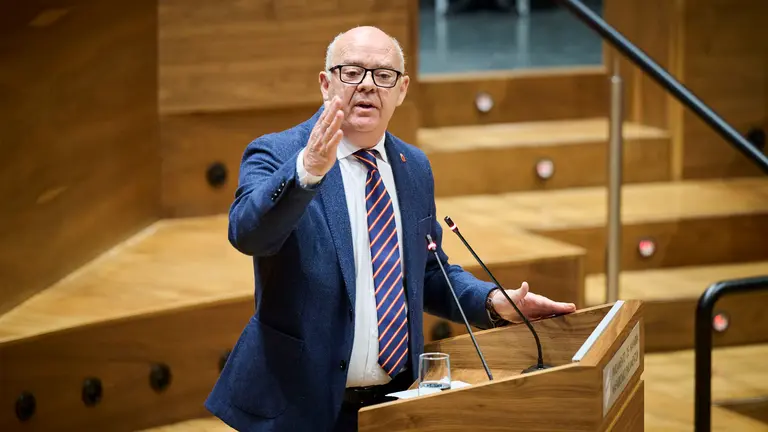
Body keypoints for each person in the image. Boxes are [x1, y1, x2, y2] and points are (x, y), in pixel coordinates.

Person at [204, 26, 576, 432]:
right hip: (299, 406)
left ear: (402, 90)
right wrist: (306, 172)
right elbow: (248, 234)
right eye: (352, 72)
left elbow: (429, 272)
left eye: (383, 76)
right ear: (326, 84)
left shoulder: (413, 166)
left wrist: (493, 302)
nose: (367, 86)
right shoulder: (278, 153)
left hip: (396, 405)